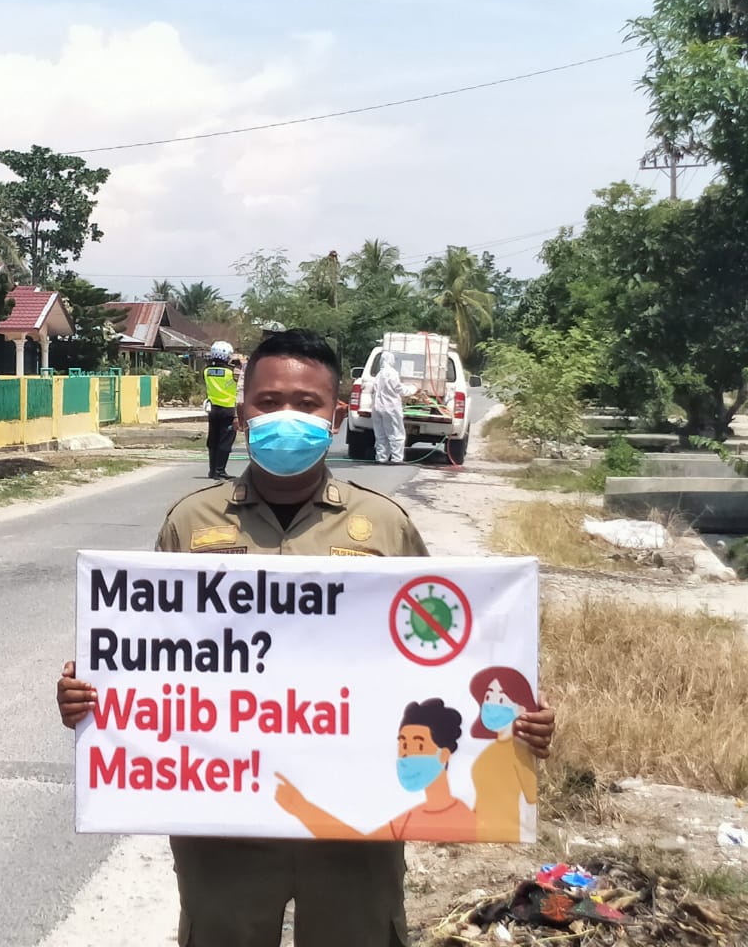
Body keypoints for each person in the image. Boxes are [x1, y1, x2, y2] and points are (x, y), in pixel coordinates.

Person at [57, 328, 556, 947]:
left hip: (358, 821)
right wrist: (91, 696)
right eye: (268, 403)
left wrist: (516, 723)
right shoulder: (191, 523)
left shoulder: (385, 525)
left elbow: (443, 665)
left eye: (307, 403)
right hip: (223, 824)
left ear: (338, 415)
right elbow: (147, 655)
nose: (286, 416)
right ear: (241, 414)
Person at [275, 698, 476, 843]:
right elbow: (360, 842)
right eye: (403, 746)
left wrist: (301, 808)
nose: (406, 756)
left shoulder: (462, 817)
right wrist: (299, 806)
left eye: (419, 746)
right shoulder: (412, 815)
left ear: (444, 755)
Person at [468, 666, 540, 842]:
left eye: (500, 699)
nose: (491, 704)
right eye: (488, 697)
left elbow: (530, 802)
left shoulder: (520, 752)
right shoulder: (488, 750)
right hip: (477, 834)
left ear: (521, 708)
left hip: (505, 837)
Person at [203, 340, 238, 480]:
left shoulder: (206, 371)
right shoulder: (232, 372)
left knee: (213, 439)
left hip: (213, 409)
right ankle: (220, 470)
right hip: (228, 409)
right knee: (225, 441)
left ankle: (212, 470)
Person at [371, 351, 414, 465]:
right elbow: (399, 389)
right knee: (396, 432)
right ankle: (396, 458)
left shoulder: (379, 375)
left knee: (381, 434)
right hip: (390, 408)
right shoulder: (392, 373)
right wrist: (413, 389)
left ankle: (381, 458)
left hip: (377, 408)